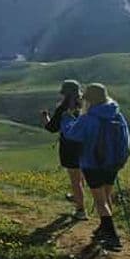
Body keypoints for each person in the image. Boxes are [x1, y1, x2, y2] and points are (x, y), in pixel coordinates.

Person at [60, 83, 130, 251]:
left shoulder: (88, 118)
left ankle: (112, 237)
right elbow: (126, 139)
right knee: (106, 197)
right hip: (113, 163)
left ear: (89, 100)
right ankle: (103, 229)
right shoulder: (117, 114)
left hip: (93, 164)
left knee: (100, 201)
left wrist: (67, 120)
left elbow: (72, 135)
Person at [41, 80, 87, 220]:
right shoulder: (85, 107)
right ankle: (77, 198)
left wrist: (45, 117)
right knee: (80, 176)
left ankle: (80, 210)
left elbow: (51, 128)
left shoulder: (63, 109)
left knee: (75, 179)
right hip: (85, 146)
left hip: (69, 148)